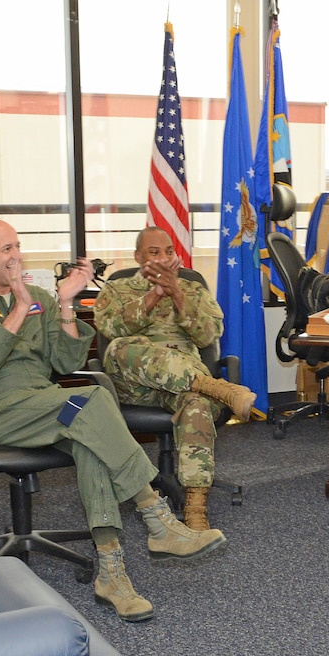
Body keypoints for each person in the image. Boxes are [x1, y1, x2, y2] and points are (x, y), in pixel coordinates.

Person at [0, 217, 226, 623]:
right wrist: (17, 309)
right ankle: (156, 517)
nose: (16, 256)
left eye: (17, 246)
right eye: (6, 250)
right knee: (92, 402)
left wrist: (65, 303)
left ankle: (111, 571)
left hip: (50, 407)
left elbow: (66, 362)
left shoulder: (39, 297)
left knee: (90, 434)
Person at [94, 226, 256, 531]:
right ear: (138, 257)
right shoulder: (117, 289)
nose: (163, 258)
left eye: (169, 252)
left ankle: (196, 509)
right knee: (122, 347)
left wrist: (177, 293)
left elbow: (209, 335)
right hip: (136, 386)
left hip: (184, 385)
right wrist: (155, 295)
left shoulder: (192, 288)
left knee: (196, 403)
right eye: (154, 253)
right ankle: (220, 389)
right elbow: (111, 330)